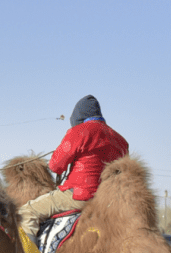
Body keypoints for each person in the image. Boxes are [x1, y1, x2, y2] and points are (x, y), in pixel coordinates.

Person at [17, 95, 129, 239]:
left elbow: (55, 166)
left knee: (26, 212)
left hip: (79, 195)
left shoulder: (79, 131)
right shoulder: (121, 140)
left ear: (78, 117)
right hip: (108, 201)